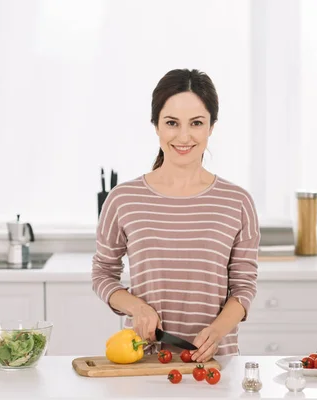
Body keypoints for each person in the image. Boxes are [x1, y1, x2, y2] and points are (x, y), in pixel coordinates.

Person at [92, 68, 259, 362]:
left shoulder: (237, 202)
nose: (184, 136)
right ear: (156, 126)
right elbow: (103, 274)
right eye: (172, 123)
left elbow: (244, 287)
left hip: (214, 364)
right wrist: (137, 308)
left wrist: (218, 331)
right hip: (144, 361)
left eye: (196, 123)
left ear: (211, 127)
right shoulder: (124, 199)